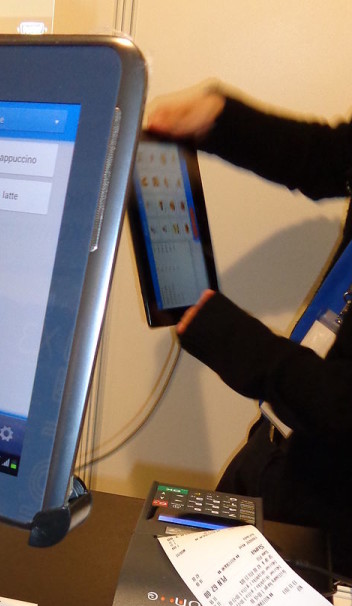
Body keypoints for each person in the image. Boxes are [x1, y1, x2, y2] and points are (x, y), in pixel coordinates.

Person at [146, 84, 352, 580]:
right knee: (169, 597)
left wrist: (239, 346)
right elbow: (329, 158)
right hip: (276, 447)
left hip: (335, 514)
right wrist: (218, 118)